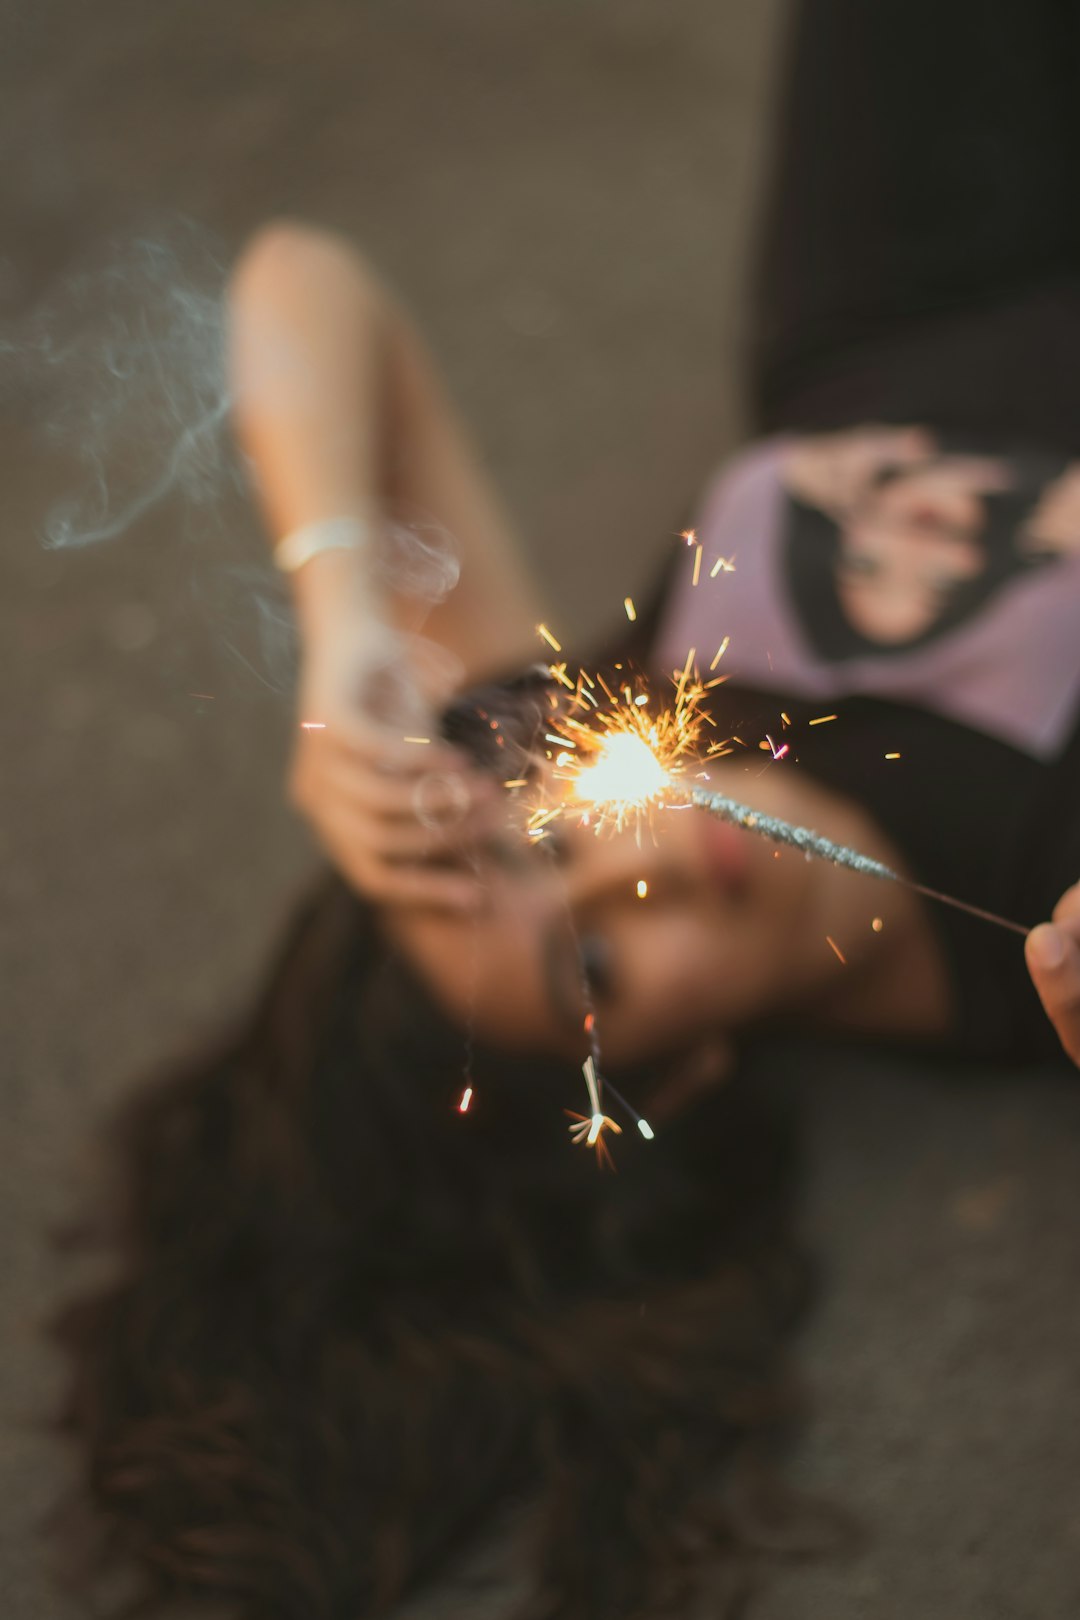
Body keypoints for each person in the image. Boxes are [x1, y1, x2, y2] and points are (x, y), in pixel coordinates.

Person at [55, 2, 1080, 1617]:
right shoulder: (1039, 939)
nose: (631, 871)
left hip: (913, 297)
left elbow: (304, 287)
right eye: (590, 981)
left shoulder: (603, 695)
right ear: (678, 1074)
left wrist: (344, 619)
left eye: (544, 838)